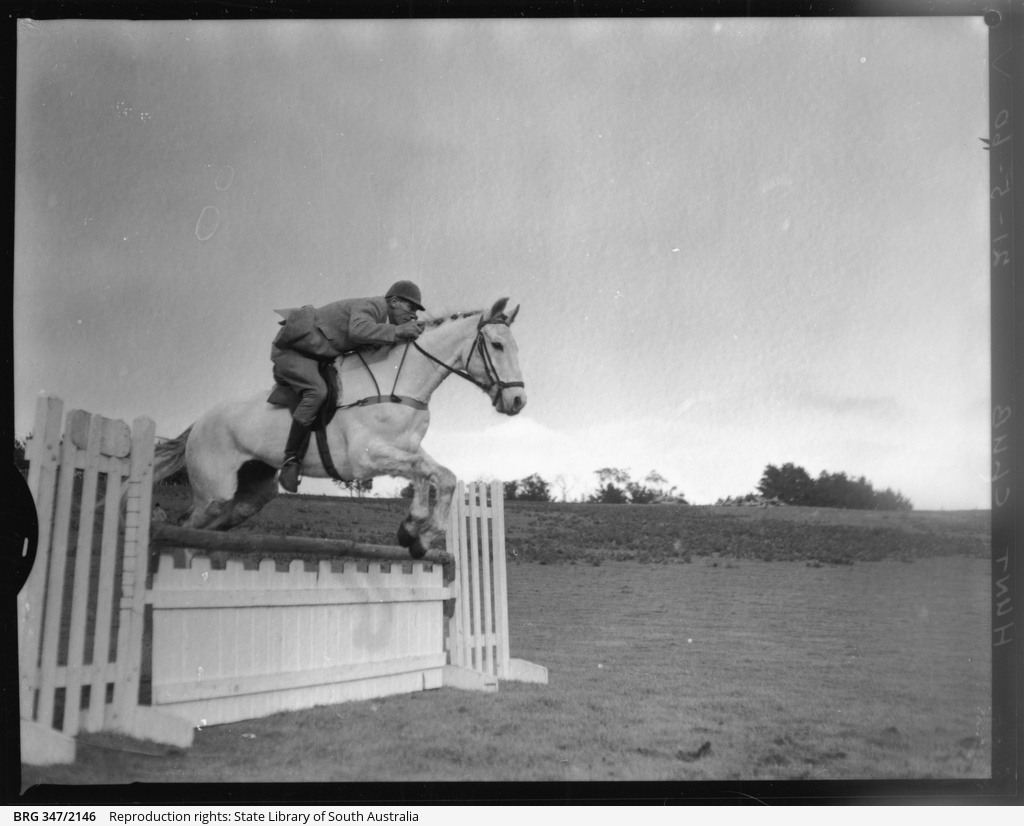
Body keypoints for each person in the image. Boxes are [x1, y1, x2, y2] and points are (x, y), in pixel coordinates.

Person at [271, 280, 426, 492]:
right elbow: (358, 331)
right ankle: (290, 460)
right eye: (411, 307)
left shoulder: (380, 319)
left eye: (417, 311)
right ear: (395, 301)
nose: (414, 314)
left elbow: (371, 344)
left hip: (318, 357)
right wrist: (399, 331)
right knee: (317, 392)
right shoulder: (374, 306)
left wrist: (403, 335)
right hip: (293, 353)